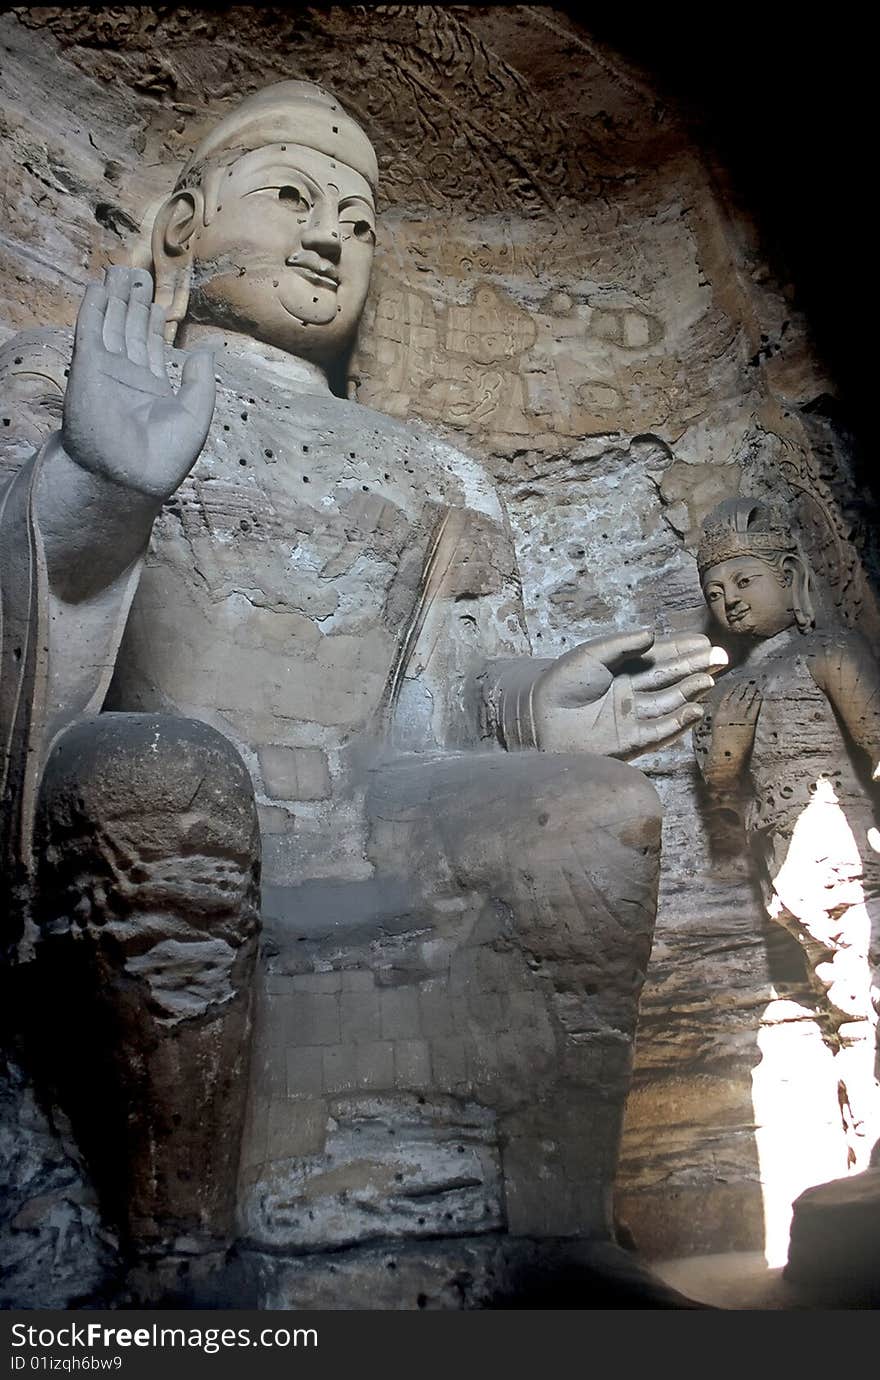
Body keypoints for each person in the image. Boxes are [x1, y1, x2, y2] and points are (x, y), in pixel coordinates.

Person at [0, 81, 720, 1304]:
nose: (332, 235)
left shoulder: (430, 464)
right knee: (169, 778)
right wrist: (91, 480)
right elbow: (28, 639)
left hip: (359, 805)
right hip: (153, 796)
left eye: (359, 219)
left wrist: (535, 709)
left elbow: (439, 699)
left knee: (597, 818)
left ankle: (557, 1231)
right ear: (182, 228)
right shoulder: (63, 375)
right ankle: (173, 1255)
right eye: (292, 197)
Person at [694, 497, 880, 1175]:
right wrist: (728, 743)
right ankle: (865, 1146)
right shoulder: (728, 689)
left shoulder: (827, 650)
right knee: (845, 1005)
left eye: (745, 581)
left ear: (790, 573)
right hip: (790, 868)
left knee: (866, 1002)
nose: (731, 602)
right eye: (716, 592)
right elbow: (718, 790)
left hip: (854, 850)